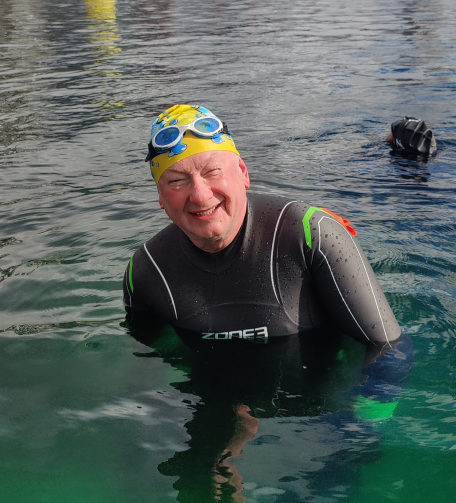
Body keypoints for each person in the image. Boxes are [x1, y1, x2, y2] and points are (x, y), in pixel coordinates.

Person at [123, 104, 402, 346]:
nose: (200, 195)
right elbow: (153, 359)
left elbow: (388, 350)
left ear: (243, 172)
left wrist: (362, 409)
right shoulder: (146, 270)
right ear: (160, 196)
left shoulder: (311, 234)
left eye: (213, 171)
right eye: (176, 181)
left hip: (323, 403)